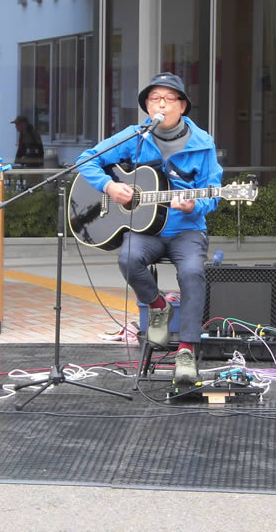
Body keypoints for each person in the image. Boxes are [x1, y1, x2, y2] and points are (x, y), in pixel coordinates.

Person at [76, 72, 222, 384]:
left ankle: (185, 349)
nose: (161, 104)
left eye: (169, 99)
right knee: (128, 258)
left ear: (182, 106)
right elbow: (86, 160)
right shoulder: (135, 136)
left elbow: (213, 191)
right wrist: (110, 186)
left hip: (187, 230)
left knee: (193, 273)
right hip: (146, 230)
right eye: (155, 99)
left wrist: (195, 204)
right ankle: (158, 307)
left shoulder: (203, 144)